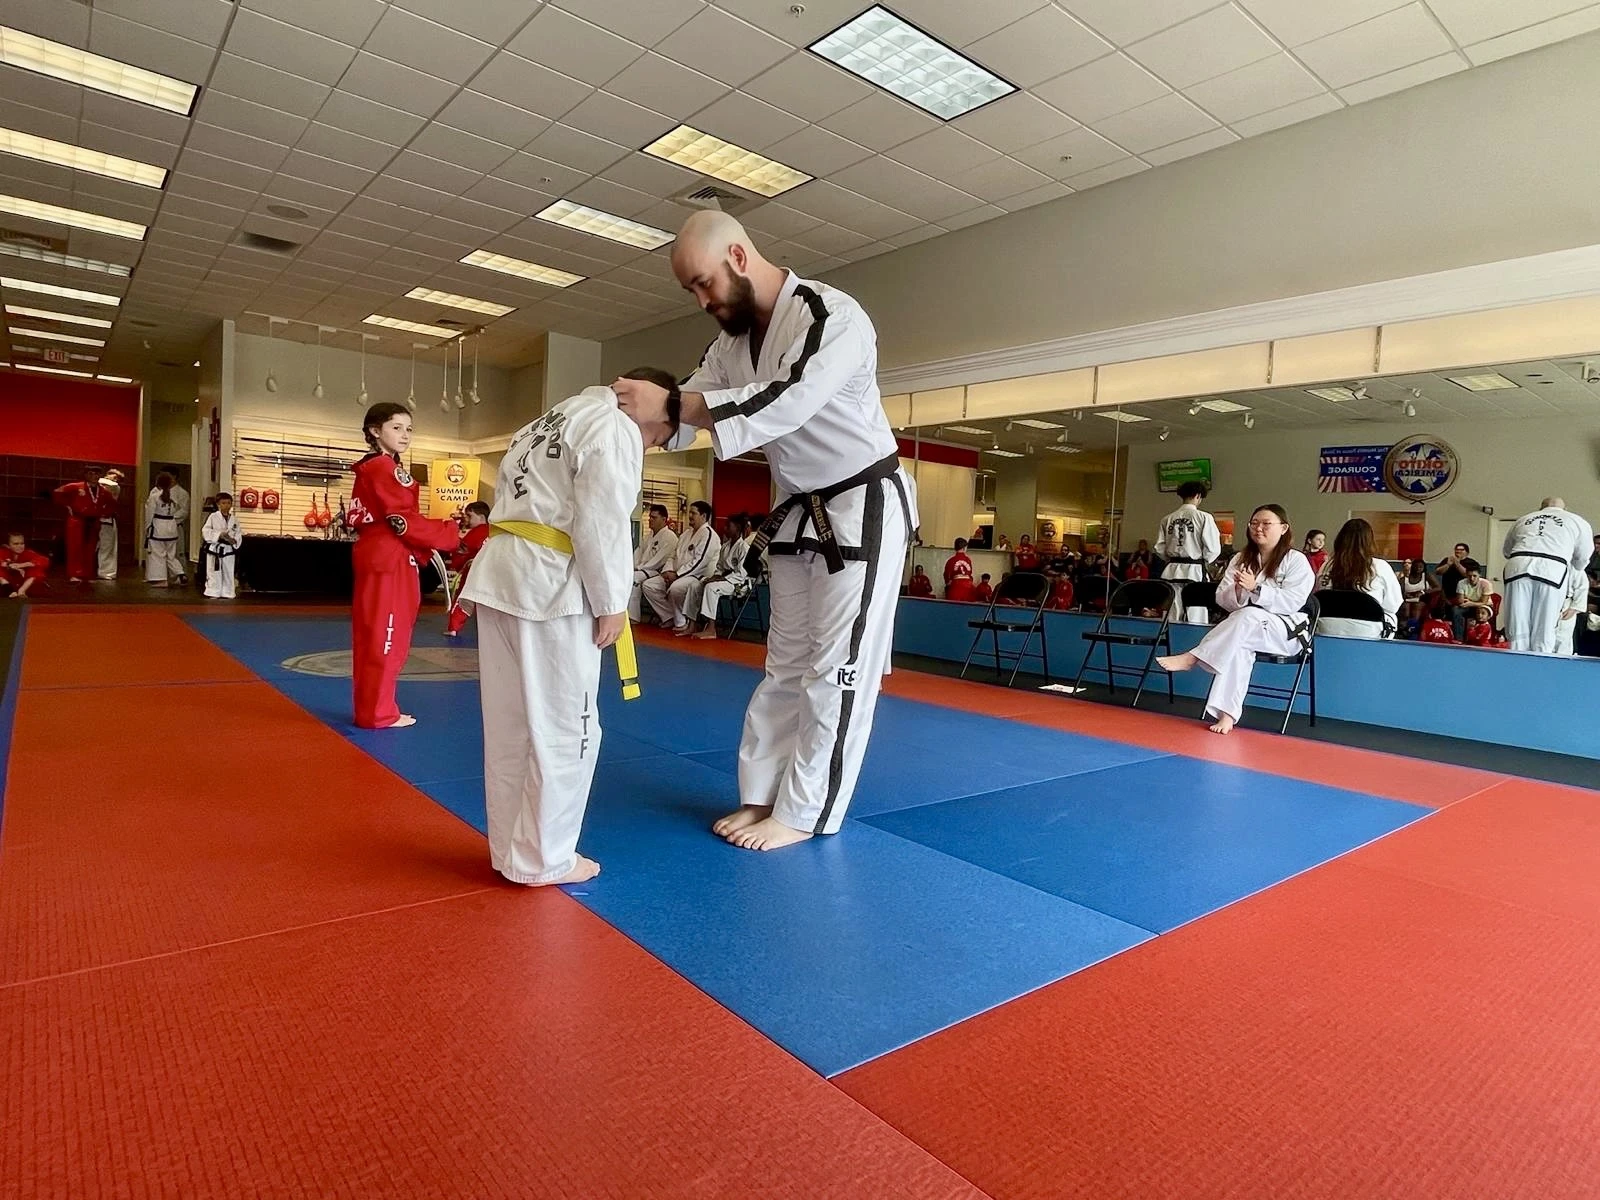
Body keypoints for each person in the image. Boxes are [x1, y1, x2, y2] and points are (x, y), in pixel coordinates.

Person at [612, 209, 917, 852]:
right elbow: (689, 412)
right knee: (784, 668)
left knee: (839, 669)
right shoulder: (730, 345)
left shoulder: (832, 316)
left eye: (704, 284)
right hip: (799, 510)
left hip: (861, 504)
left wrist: (669, 405)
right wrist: (614, 425)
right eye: (690, 291)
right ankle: (761, 796)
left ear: (739, 257)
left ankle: (806, 812)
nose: (701, 301)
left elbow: (783, 401)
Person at [462, 371, 679, 886]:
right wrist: (612, 601)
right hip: (551, 588)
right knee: (567, 730)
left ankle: (511, 851)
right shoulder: (613, 425)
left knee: (512, 728)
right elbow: (602, 518)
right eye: (659, 435)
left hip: (500, 576)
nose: (651, 444)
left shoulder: (547, 419)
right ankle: (546, 858)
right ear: (647, 404)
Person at [347, 403, 461, 729]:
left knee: (376, 634)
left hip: (381, 554)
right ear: (374, 431)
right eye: (396, 427)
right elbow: (402, 521)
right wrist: (450, 535)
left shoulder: (376, 468)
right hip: (389, 557)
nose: (405, 435)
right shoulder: (383, 468)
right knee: (388, 634)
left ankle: (375, 708)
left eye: (409, 429)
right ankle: (379, 713)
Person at [1156, 504, 1314, 735]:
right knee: (1238, 644)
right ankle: (1227, 715)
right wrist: (1240, 591)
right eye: (1254, 523)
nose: (1258, 528)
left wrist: (1256, 589)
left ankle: (1193, 657)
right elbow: (1223, 598)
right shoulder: (1241, 558)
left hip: (1287, 632)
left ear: (1283, 528)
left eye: (1266, 524)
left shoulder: (1296, 560)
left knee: (1247, 617)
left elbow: (1292, 602)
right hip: (1248, 626)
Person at [1501, 497, 1594, 654]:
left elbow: (1506, 551)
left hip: (1517, 565)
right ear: (1565, 509)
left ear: (1540, 508)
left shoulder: (1524, 519)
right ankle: (1540, 661)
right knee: (1545, 623)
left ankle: (1516, 660)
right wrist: (1577, 565)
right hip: (1552, 568)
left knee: (1517, 623)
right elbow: (1584, 556)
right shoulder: (1576, 520)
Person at [641, 499, 718, 634]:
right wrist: (668, 571)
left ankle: (683, 621)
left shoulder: (708, 534)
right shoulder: (686, 534)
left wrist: (677, 575)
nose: (690, 516)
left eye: (693, 513)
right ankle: (669, 616)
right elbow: (673, 556)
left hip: (697, 576)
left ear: (704, 516)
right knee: (649, 585)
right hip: (676, 573)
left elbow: (700, 562)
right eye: (689, 512)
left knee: (675, 588)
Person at [1315, 518, 1401, 638]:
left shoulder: (1326, 566)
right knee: (1390, 615)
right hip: (1368, 633)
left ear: (1340, 540)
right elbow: (1393, 605)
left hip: (1327, 630)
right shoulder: (1381, 567)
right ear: (1370, 542)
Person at [1157, 481, 1221, 623]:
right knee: (1195, 612)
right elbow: (1213, 548)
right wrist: (1204, 560)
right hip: (1195, 570)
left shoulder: (1167, 519)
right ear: (1198, 496)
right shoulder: (1204, 517)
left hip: (1171, 570)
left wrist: (1170, 560)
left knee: (1172, 612)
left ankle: (1169, 641)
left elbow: (1159, 548)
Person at [691, 513, 753, 639]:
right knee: (696, 584)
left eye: (728, 526)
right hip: (724, 580)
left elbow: (741, 574)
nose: (725, 529)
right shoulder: (725, 547)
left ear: (737, 528)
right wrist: (714, 577)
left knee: (711, 588)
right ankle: (692, 622)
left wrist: (719, 579)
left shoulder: (744, 548)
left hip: (739, 584)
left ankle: (711, 628)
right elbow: (719, 568)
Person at [52, 467, 116, 583]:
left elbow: (112, 504)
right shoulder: (76, 487)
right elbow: (57, 492)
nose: (94, 476)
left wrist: (103, 513)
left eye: (97, 474)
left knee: (90, 549)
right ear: (86, 475)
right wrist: (67, 506)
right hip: (77, 520)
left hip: (93, 522)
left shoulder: (103, 491)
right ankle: (74, 573)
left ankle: (87, 574)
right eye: (91, 474)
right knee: (75, 548)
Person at [444, 501, 492, 637]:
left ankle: (453, 628)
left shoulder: (477, 532)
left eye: (470, 516)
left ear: (482, 517)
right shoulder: (493, 532)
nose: (468, 520)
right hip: (492, 571)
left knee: (463, 597)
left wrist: (457, 563)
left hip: (474, 570)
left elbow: (463, 550)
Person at [628, 504, 679, 621]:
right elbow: (638, 553)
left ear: (664, 519)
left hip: (658, 571)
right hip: (644, 570)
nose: (650, 520)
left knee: (634, 579)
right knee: (631, 578)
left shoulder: (670, 537)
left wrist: (640, 568)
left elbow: (660, 559)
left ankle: (634, 617)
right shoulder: (649, 536)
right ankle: (632, 616)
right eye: (650, 517)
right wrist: (633, 566)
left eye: (654, 517)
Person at [144, 472, 188, 586]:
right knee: (171, 555)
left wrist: (147, 527)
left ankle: (161, 579)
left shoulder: (155, 496)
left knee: (158, 554)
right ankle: (180, 573)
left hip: (158, 527)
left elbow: (149, 514)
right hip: (172, 527)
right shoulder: (173, 496)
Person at [201, 493, 243, 599]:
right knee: (214, 571)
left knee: (228, 571)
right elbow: (206, 530)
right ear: (218, 504)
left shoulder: (234, 519)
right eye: (223, 503)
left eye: (229, 503)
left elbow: (238, 533)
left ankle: (228, 592)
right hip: (216, 548)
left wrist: (234, 541)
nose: (226, 505)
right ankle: (213, 591)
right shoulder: (213, 517)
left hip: (228, 548)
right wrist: (219, 535)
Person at [1450, 560, 1495, 641]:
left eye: (1474, 576)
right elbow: (1460, 601)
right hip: (1469, 605)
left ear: (1479, 575)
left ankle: (1484, 638)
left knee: (1482, 611)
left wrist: (1470, 602)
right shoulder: (1461, 583)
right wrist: (1471, 603)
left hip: (1484, 606)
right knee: (1456, 610)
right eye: (1469, 576)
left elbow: (1484, 602)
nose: (1472, 578)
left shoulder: (1486, 584)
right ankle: (1458, 639)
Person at [96, 468, 124, 580]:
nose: (114, 478)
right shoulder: (96, 486)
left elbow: (108, 484)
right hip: (95, 520)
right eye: (113, 475)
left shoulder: (115, 488)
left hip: (107, 521)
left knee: (107, 548)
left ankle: (106, 572)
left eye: (117, 478)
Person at [1, 532, 48, 599]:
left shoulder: (28, 553)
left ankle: (22, 591)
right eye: (16, 544)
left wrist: (22, 565)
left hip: (23, 582)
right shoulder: (3, 552)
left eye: (22, 543)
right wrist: (9, 565)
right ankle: (9, 590)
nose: (20, 546)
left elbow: (44, 560)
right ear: (8, 545)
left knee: (37, 569)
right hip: (7, 582)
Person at [944, 537, 975, 601]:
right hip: (968, 586)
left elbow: (947, 574)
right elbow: (970, 572)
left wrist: (948, 582)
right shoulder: (968, 560)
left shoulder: (951, 560)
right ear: (964, 548)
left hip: (956, 585)